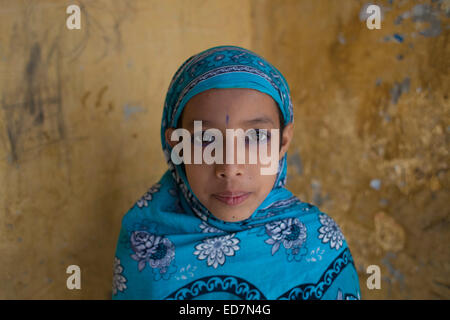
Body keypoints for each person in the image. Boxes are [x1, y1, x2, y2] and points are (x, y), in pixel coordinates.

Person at [112, 45, 361, 300]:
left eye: (255, 136)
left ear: (282, 143)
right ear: (177, 146)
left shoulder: (318, 244)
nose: (230, 168)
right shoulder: (145, 244)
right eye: (205, 139)